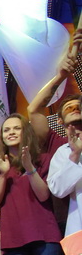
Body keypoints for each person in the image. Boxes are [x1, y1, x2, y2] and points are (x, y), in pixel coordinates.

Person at [0, 113, 65, 255]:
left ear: (26, 132)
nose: (11, 132)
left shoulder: (43, 159)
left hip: (44, 235)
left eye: (17, 128)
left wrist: (29, 167)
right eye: (6, 130)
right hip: (13, 239)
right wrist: (3, 175)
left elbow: (43, 195)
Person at [47, 94, 82, 235]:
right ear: (60, 120)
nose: (75, 109)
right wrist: (75, 155)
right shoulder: (63, 152)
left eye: (78, 107)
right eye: (69, 108)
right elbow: (58, 189)